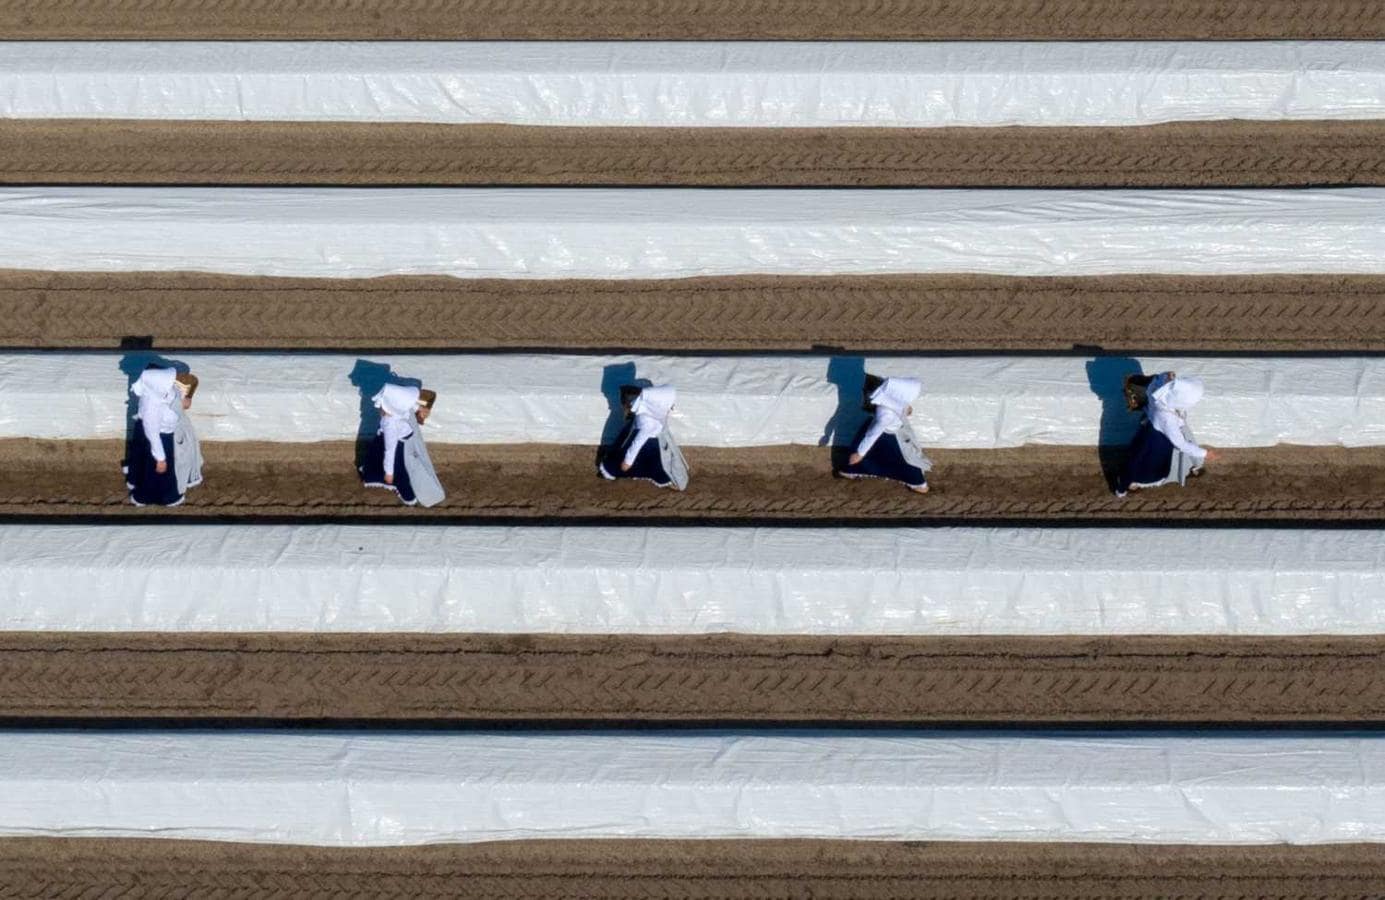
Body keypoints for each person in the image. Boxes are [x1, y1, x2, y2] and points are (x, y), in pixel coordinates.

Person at [1114, 371, 1217, 498]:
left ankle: (1127, 484)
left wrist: (1167, 377)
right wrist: (1205, 453)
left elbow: (1158, 379)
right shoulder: (1168, 419)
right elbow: (1180, 444)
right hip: (1159, 442)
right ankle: (1130, 484)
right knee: (1147, 463)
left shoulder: (1159, 392)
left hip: (1149, 431)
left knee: (1137, 457)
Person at [836, 374, 932, 493]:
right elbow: (902, 404)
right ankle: (849, 470)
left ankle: (918, 484)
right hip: (889, 431)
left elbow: (873, 434)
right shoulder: (893, 394)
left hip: (891, 437)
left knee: (904, 460)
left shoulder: (884, 413)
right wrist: (905, 408)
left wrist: (860, 453)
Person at [123, 366, 202, 507]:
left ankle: (136, 478)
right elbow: (153, 434)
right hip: (161, 438)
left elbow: (177, 400)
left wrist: (184, 400)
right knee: (158, 471)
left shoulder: (159, 391)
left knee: (143, 462)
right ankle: (159, 496)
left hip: (160, 434)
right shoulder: (153, 406)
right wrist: (160, 458)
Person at [359, 384, 445, 507]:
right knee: (386, 463)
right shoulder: (395, 417)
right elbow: (390, 450)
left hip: (391, 442)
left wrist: (389, 473)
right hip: (393, 441)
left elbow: (390, 450)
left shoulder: (391, 416)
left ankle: (373, 473)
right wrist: (389, 473)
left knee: (385, 463)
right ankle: (375, 472)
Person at [598, 383, 689, 490]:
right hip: (653, 443)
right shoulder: (653, 410)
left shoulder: (645, 421)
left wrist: (627, 462)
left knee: (637, 463)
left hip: (647, 447)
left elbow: (637, 443)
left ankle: (612, 470)